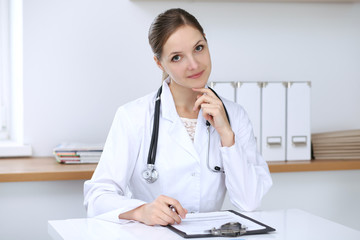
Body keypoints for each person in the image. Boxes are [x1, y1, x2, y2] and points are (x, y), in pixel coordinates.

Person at [84, 8, 272, 226]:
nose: (193, 64)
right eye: (176, 57)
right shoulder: (133, 116)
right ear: (159, 63)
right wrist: (141, 211)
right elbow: (97, 197)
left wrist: (226, 135)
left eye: (199, 48)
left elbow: (250, 202)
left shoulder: (235, 116)